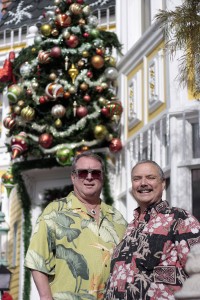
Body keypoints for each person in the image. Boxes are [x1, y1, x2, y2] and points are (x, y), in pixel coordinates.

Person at [24, 152, 127, 300]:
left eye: (96, 173)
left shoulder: (116, 217)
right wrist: (46, 297)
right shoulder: (55, 211)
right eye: (83, 172)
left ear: (102, 177)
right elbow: (36, 258)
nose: (89, 177)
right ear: (73, 177)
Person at [105, 159, 200, 300]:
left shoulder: (180, 219)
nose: (143, 183)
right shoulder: (130, 228)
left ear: (163, 184)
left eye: (150, 177)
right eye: (137, 179)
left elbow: (197, 270)